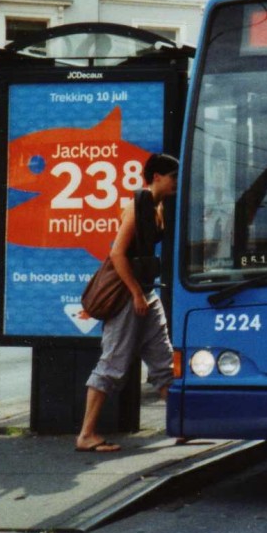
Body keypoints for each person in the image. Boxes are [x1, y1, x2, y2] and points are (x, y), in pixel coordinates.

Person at [76, 153, 178, 454]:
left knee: (163, 360)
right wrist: (135, 293)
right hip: (127, 296)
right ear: (157, 176)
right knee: (113, 363)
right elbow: (118, 254)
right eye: (173, 176)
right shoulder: (136, 206)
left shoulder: (159, 206)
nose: (176, 182)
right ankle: (86, 434)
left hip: (145, 293)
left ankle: (181, 423)